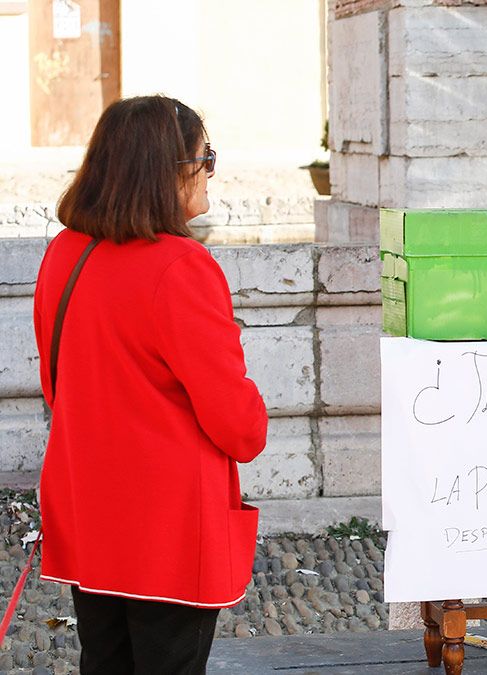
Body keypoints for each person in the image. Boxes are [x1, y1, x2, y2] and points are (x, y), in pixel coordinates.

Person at [34, 96, 268, 673]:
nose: (211, 169)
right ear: (167, 171)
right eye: (203, 157)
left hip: (89, 509)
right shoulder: (181, 267)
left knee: (105, 661)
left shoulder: (64, 253)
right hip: (167, 529)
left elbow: (57, 384)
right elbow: (239, 428)